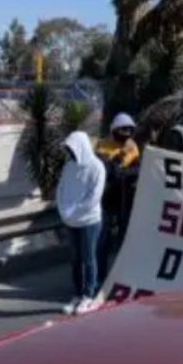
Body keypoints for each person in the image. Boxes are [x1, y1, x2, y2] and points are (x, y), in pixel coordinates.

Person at [58, 132, 107, 315]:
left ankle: (88, 296)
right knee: (75, 259)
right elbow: (60, 189)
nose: (69, 152)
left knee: (88, 258)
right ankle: (77, 295)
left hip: (89, 221)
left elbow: (94, 197)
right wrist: (64, 211)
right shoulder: (68, 167)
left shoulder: (97, 167)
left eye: (71, 148)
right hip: (70, 221)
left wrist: (75, 212)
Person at [94, 113, 141, 280]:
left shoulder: (133, 148)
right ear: (114, 130)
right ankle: (100, 277)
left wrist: (124, 172)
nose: (127, 133)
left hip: (125, 201)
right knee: (102, 241)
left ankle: (122, 277)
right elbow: (105, 170)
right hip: (105, 201)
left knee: (124, 241)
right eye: (123, 129)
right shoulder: (102, 146)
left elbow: (137, 170)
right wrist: (117, 166)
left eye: (129, 129)